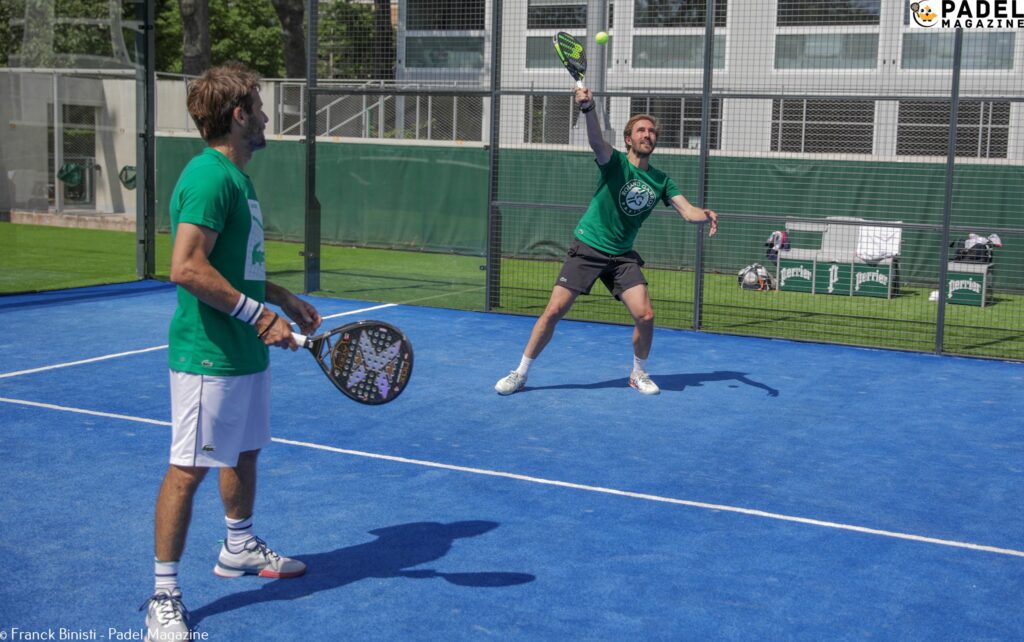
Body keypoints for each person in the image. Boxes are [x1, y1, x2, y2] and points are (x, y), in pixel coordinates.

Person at [141, 63, 322, 640]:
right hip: (208, 355)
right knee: (188, 469)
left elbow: (227, 268)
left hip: (242, 351)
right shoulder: (209, 177)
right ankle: (163, 596)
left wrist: (278, 295)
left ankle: (238, 547)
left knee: (244, 452)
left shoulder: (236, 178)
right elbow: (185, 267)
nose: (267, 116)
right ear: (239, 114)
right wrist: (259, 315)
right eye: (260, 107)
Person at [495, 87, 718, 397]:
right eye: (641, 130)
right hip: (588, 247)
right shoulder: (614, 162)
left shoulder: (662, 180)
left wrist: (703, 214)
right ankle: (520, 373)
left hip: (622, 256)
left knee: (646, 315)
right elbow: (596, 141)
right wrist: (588, 109)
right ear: (629, 139)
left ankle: (638, 373)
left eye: (652, 131)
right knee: (554, 311)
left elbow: (687, 211)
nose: (648, 135)